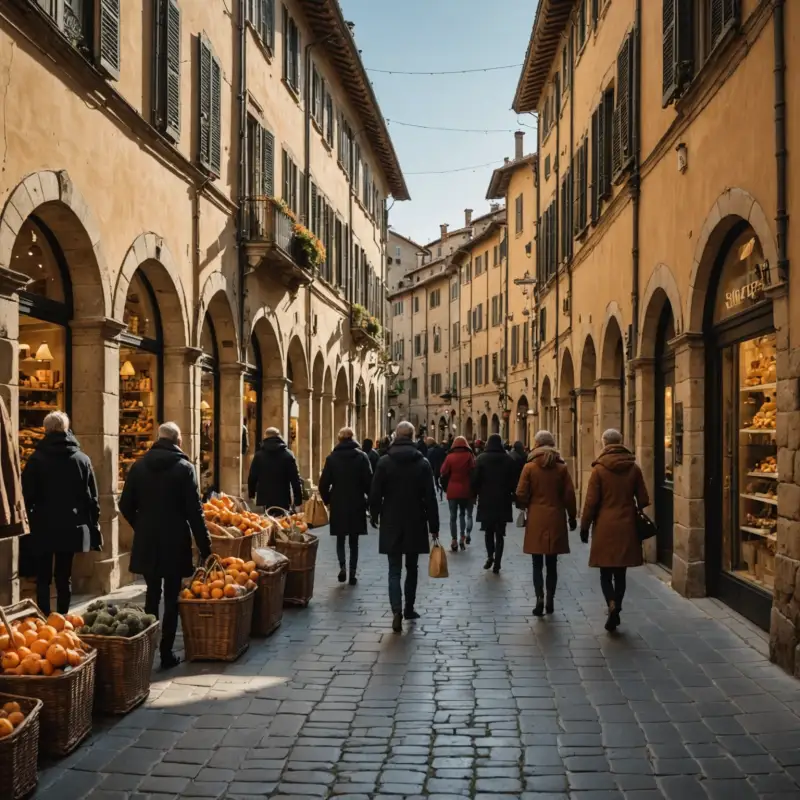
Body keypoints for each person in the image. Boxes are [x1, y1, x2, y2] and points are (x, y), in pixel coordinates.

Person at [119, 422, 211, 668]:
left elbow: (125, 505)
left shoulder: (138, 467)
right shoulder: (185, 468)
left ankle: (146, 650)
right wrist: (206, 547)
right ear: (178, 441)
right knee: (172, 597)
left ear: (158, 439)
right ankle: (167, 652)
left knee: (151, 594)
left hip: (148, 540)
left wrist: (142, 525)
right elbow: (195, 512)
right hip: (174, 540)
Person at [21, 411, 101, 616]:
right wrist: (93, 523)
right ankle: (63, 618)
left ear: (45, 431)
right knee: (64, 576)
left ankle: (43, 618)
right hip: (71, 524)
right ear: (67, 429)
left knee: (43, 577)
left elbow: (26, 495)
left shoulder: (36, 459)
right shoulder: (82, 459)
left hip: (42, 524)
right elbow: (91, 497)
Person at [369, 421, 439, 633]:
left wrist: (374, 514)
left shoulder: (384, 462)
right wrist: (434, 526)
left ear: (395, 437)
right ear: (413, 436)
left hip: (391, 520)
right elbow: (430, 497)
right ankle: (409, 607)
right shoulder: (423, 463)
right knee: (412, 567)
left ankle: (396, 610)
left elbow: (375, 494)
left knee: (394, 570)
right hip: (416, 521)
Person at [580, 428, 650, 632]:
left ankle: (610, 603)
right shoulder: (633, 468)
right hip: (626, 523)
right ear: (621, 441)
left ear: (604, 443)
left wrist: (584, 526)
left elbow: (591, 502)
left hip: (605, 525)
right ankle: (617, 605)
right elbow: (644, 499)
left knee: (605, 572)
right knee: (621, 573)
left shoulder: (599, 470)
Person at [516, 430, 577, 617]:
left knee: (536, 563)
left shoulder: (530, 467)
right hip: (556, 517)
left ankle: (539, 598)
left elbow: (521, 493)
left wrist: (524, 505)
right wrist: (572, 516)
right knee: (552, 563)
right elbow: (569, 495)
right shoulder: (561, 467)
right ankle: (550, 599)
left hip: (536, 517)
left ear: (536, 443)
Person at [318, 427, 373, 585]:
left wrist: (328, 500)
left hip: (338, 502)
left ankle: (342, 566)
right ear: (353, 438)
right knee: (354, 540)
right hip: (356, 502)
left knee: (340, 538)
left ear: (339, 439)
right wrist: (369, 501)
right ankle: (353, 572)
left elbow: (323, 484)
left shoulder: (332, 458)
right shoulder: (362, 457)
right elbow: (369, 482)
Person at [471, 433, 517, 574]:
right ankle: (498, 561)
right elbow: (514, 481)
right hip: (503, 500)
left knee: (488, 531)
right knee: (500, 533)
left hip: (486, 500)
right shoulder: (508, 460)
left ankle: (490, 556)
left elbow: (475, 480)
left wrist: (474, 494)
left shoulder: (481, 459)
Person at [247, 426, 303, 514]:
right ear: (279, 437)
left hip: (264, 498)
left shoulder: (259, 456)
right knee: (283, 523)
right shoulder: (288, 455)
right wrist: (298, 500)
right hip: (283, 497)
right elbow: (295, 479)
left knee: (267, 523)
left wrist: (252, 494)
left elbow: (252, 477)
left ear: (265, 437)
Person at [440, 435, 476, 551]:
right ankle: (462, 536)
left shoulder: (449, 457)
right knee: (462, 514)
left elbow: (443, 471)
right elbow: (473, 470)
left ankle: (454, 539)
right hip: (466, 489)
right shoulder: (469, 456)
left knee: (452, 516)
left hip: (452, 489)